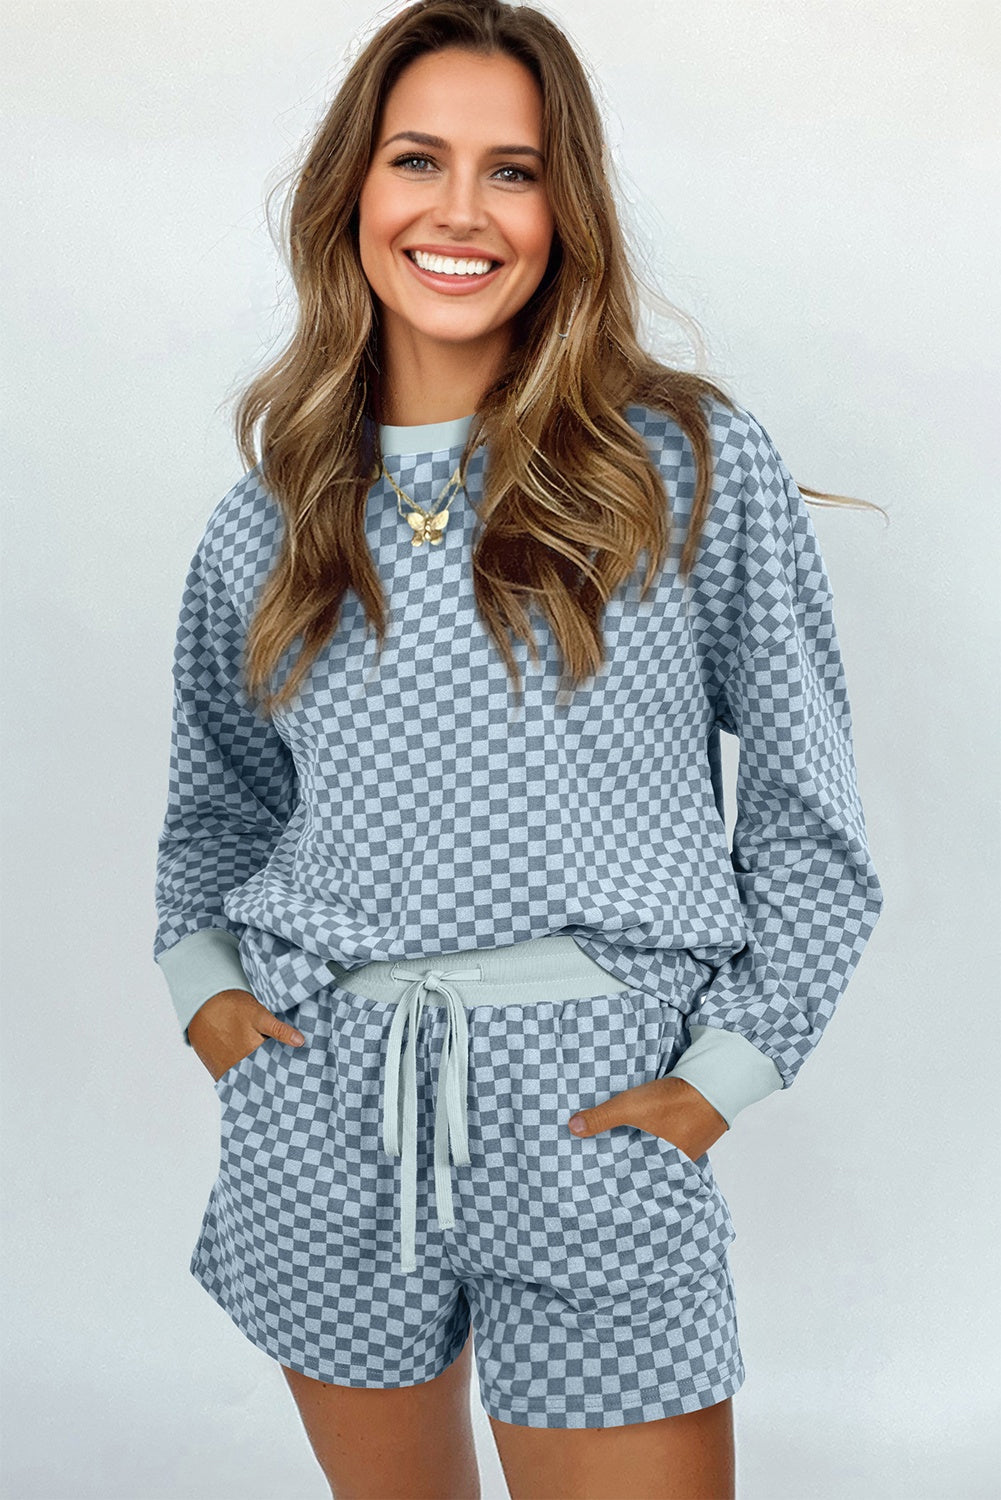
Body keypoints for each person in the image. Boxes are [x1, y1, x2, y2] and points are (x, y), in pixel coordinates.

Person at [152, 3, 885, 1496]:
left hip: (594, 1109)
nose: (461, 211)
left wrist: (723, 1074)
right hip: (322, 1102)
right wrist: (209, 998)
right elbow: (216, 810)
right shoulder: (269, 522)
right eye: (418, 159)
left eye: (515, 170)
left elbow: (807, 815)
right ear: (353, 188)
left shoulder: (677, 469)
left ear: (566, 211)